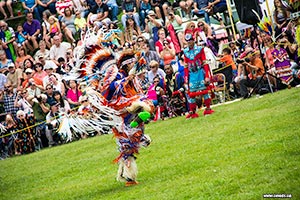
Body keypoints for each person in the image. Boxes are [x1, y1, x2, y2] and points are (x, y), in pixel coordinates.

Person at [183, 33, 214, 118]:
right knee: (192, 93)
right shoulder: (185, 52)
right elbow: (185, 66)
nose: (189, 42)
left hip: (200, 73)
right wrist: (186, 78)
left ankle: (208, 109)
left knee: (204, 91)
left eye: (190, 40)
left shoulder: (200, 49)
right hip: (191, 74)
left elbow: (204, 62)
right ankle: (193, 111)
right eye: (187, 41)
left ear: (193, 40)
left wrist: (207, 75)